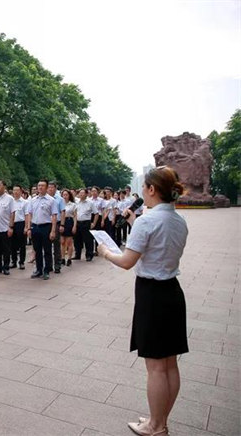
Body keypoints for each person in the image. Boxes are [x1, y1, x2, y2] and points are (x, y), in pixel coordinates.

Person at [98, 166, 188, 436]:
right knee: (169, 363)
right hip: (172, 291)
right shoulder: (178, 220)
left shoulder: (147, 221)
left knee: (156, 367)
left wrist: (105, 252)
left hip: (152, 294)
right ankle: (160, 418)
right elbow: (155, 243)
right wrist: (131, 222)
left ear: (151, 189)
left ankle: (156, 425)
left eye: (145, 189)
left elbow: (126, 261)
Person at [25, 179, 58, 280]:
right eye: (39, 186)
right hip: (35, 226)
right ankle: (38, 269)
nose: (40, 187)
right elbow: (29, 214)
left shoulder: (51, 200)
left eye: (42, 186)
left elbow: (54, 216)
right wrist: (28, 227)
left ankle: (47, 270)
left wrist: (53, 230)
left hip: (46, 227)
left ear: (47, 187)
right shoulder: (33, 200)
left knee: (47, 250)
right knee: (37, 249)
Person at [74, 188, 99, 261]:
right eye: (80, 193)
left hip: (86, 222)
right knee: (77, 239)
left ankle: (89, 255)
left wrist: (93, 223)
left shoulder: (90, 203)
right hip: (78, 222)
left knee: (88, 240)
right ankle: (77, 254)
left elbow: (96, 213)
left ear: (86, 194)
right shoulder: (76, 202)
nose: (81, 194)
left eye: (82, 193)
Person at [47, 182, 65, 274]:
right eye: (49, 187)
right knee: (47, 246)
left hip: (57, 223)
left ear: (55, 188)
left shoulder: (59, 199)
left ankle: (57, 265)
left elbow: (62, 212)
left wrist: (62, 224)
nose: (50, 189)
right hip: (47, 224)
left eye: (52, 187)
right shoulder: (44, 198)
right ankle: (48, 265)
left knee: (56, 245)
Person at [11, 185, 28, 269]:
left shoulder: (25, 202)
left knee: (22, 245)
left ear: (21, 192)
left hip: (21, 224)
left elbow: (27, 215)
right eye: (14, 190)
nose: (15, 192)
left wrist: (26, 227)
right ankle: (13, 261)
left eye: (17, 190)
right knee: (12, 244)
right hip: (12, 224)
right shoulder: (10, 202)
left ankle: (21, 262)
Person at [60, 189, 78, 266]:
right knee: (62, 242)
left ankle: (69, 258)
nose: (65, 196)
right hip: (62, 221)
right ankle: (63, 258)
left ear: (69, 195)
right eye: (63, 195)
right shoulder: (60, 204)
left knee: (69, 241)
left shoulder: (73, 205)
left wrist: (74, 226)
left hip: (69, 221)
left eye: (66, 195)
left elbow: (75, 216)